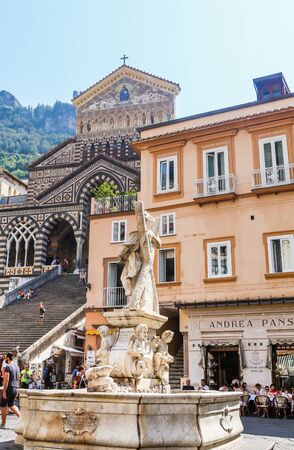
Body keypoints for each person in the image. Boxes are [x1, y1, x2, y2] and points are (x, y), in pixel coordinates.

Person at [0, 352, 20, 428]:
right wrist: (17, 388)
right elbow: (18, 378)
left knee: (3, 405)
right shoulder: (17, 367)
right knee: (11, 405)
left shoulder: (8, 367)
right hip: (15, 387)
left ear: (8, 358)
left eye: (5, 358)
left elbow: (7, 380)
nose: (5, 359)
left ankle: (3, 423)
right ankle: (22, 419)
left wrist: (4, 391)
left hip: (9, 388)